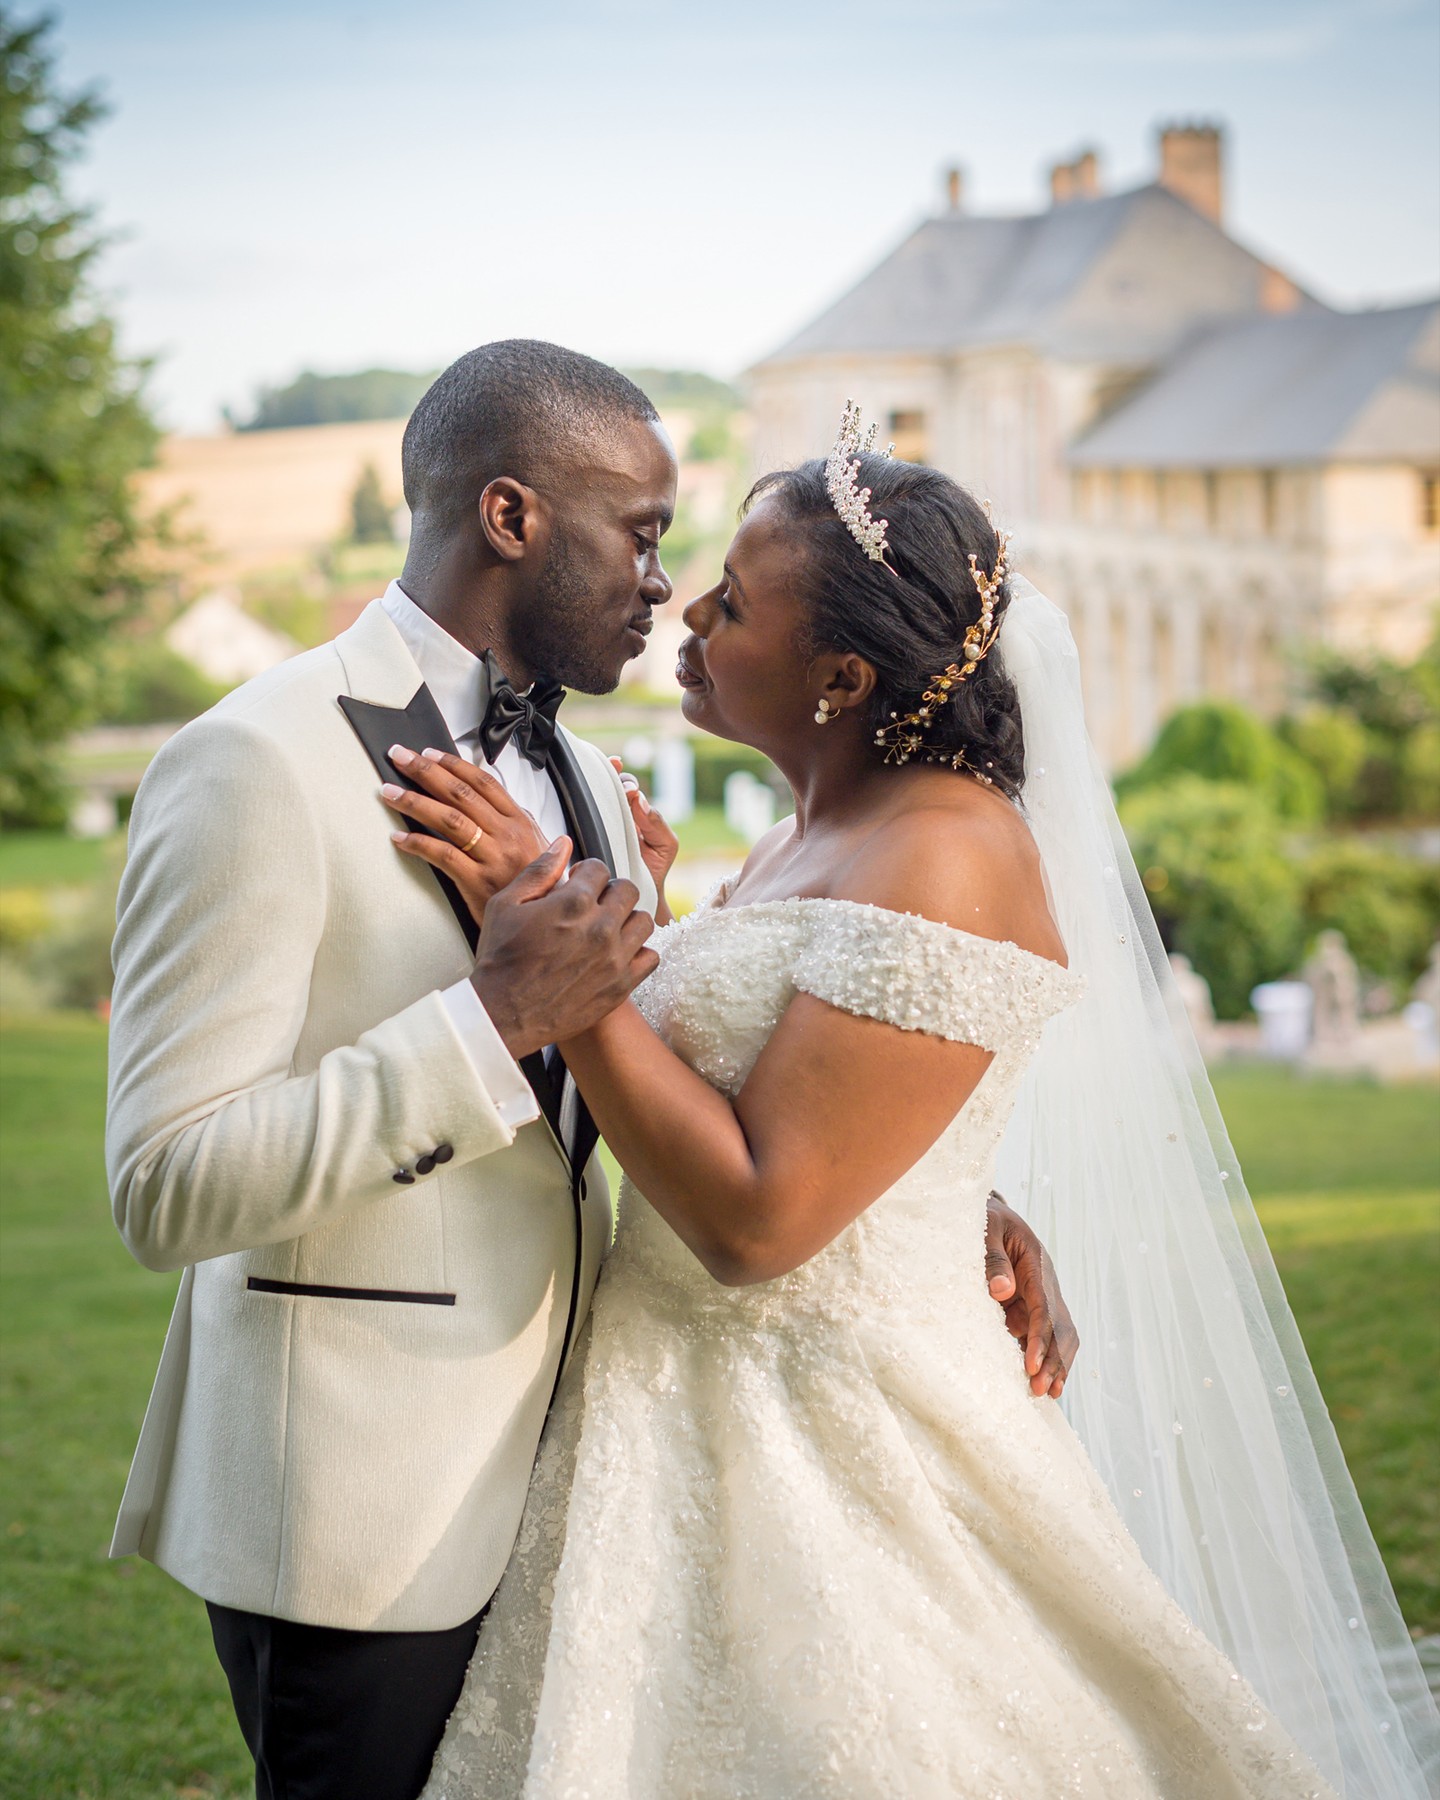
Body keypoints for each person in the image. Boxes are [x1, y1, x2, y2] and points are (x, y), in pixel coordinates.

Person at [391, 414, 1437, 1798]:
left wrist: (557, 948)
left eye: (733, 604)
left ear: (841, 675)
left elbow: (760, 1223)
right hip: (670, 1410)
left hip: (843, 1447)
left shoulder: (949, 846)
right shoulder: (795, 836)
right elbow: (825, 1094)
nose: (686, 614)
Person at [104, 346, 1074, 1800]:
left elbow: (703, 1089)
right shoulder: (256, 760)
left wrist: (930, 1203)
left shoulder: (591, 787)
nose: (664, 587)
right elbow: (164, 1187)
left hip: (598, 1480)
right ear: (511, 517)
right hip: (364, 1507)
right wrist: (491, 1020)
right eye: (643, 534)